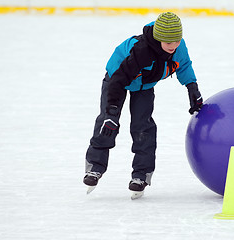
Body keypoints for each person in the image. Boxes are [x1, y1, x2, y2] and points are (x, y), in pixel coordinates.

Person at [83, 12, 203, 196]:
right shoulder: (142, 50)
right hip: (117, 79)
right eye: (168, 43)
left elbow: (184, 65)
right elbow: (118, 80)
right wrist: (112, 110)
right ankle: (95, 167)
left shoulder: (178, 46)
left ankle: (141, 175)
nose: (174, 46)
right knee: (108, 123)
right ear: (159, 38)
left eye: (177, 41)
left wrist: (192, 87)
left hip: (144, 85)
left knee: (143, 126)